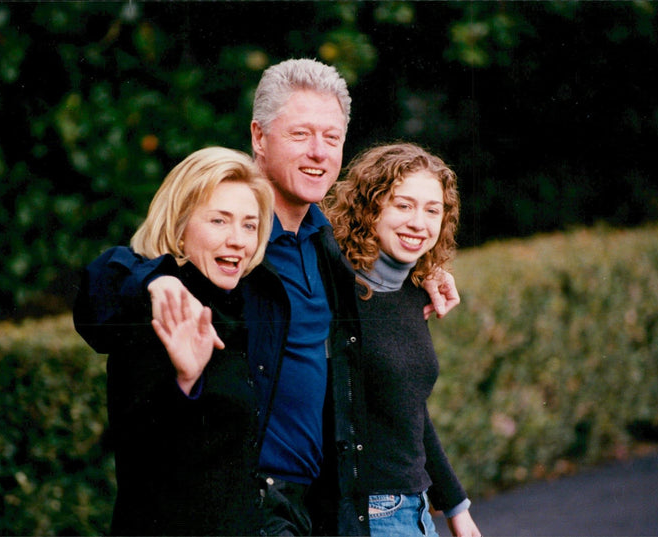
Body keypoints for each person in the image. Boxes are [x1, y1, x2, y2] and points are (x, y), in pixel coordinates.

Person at [74, 58, 461, 536]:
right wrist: (152, 281)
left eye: (332, 137)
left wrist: (425, 270)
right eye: (300, 135)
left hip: (312, 509)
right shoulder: (222, 244)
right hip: (235, 508)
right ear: (259, 137)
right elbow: (104, 286)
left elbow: (384, 269)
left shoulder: (329, 251)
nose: (319, 152)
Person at [74, 146, 287, 535]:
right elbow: (143, 450)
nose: (238, 240)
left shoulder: (241, 302)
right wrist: (185, 382)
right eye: (219, 221)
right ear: (180, 226)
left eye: (249, 225)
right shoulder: (158, 303)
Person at [323, 143, 482, 537]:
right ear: (369, 207)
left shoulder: (412, 293)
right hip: (370, 513)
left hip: (417, 510)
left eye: (432, 210)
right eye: (402, 205)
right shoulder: (336, 291)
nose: (419, 222)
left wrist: (456, 506)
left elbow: (406, 412)